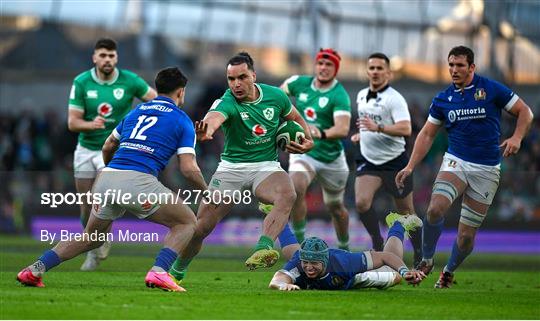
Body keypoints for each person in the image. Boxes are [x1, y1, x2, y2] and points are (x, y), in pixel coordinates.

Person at [17, 67, 206, 292]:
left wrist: (111, 171)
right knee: (186, 222)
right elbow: (188, 167)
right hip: (138, 180)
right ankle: (159, 271)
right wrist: (206, 191)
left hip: (107, 178)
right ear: (181, 92)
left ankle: (34, 269)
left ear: (157, 88)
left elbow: (108, 145)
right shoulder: (182, 120)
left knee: (91, 238)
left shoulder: (135, 112)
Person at [396, 45, 534, 288]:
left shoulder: (491, 89)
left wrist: (517, 137)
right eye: (451, 65)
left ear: (472, 67)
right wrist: (410, 166)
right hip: (456, 162)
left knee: (465, 237)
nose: (454, 70)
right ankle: (427, 259)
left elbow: (525, 111)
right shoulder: (442, 99)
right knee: (435, 209)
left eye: (459, 65)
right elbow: (427, 134)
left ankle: (449, 270)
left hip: (487, 169)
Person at [169, 52, 314, 282]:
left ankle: (263, 247)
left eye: (242, 77)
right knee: (201, 228)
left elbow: (295, 117)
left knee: (288, 193)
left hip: (266, 166)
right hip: (231, 169)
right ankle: (177, 270)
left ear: (253, 76)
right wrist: (206, 131)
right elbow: (214, 118)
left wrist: (308, 140)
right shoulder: (226, 101)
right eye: (231, 79)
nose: (236, 84)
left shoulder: (276, 96)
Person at [67, 38, 157, 271]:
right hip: (86, 148)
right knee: (86, 204)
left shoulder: (130, 80)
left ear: (116, 58)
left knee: (100, 197)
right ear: (95, 57)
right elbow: (72, 122)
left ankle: (100, 239)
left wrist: (140, 121)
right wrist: (90, 124)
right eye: (103, 55)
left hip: (115, 148)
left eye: (111, 56)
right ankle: (94, 247)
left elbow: (158, 102)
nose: (107, 60)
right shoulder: (82, 82)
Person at [351, 52, 422, 265]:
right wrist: (361, 135)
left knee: (407, 213)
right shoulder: (362, 95)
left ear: (388, 73)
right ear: (367, 72)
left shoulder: (395, 99)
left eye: (379, 68)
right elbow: (368, 124)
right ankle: (377, 241)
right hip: (369, 160)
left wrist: (378, 127)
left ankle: (420, 251)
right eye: (371, 68)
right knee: (361, 203)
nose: (375, 72)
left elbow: (406, 128)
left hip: (395, 162)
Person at [280, 48, 352, 249]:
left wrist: (319, 132)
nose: (324, 68)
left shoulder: (340, 95)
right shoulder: (299, 83)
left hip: (332, 158)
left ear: (335, 69)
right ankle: (301, 243)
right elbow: (277, 96)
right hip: (304, 153)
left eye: (329, 64)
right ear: (315, 65)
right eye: (321, 63)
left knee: (335, 207)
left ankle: (344, 246)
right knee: (295, 187)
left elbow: (343, 128)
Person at [268, 212, 426, 291]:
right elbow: (276, 280)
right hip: (309, 266)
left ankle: (398, 224)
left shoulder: (345, 262)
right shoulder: (299, 263)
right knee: (292, 252)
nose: (309, 267)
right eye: (306, 262)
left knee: (395, 276)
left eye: (314, 263)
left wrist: (405, 272)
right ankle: (275, 213)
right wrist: (283, 286)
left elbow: (386, 257)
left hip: (354, 278)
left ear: (325, 261)